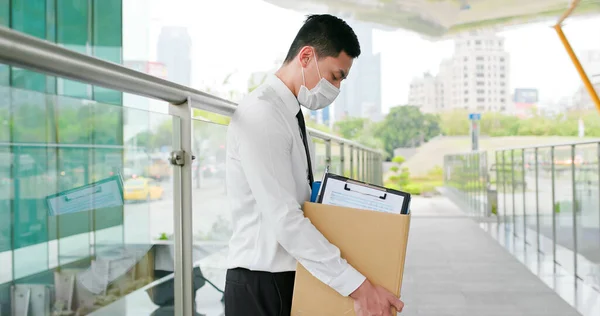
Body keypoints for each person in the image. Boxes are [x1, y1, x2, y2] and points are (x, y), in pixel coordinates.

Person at [224, 14, 404, 316]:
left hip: (285, 277)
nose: (336, 88)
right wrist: (360, 288)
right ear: (306, 56)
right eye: (335, 76)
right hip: (261, 285)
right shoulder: (263, 115)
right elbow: (285, 220)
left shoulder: (288, 113)